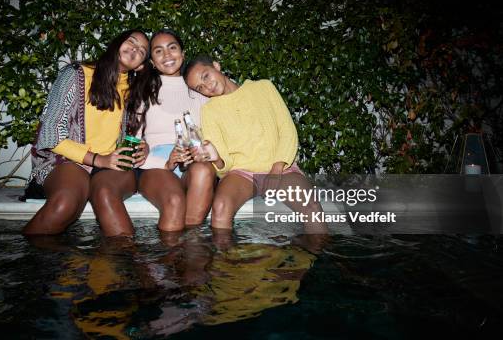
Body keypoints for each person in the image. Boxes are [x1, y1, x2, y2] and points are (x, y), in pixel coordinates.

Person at [22, 29, 150, 237]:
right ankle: (26, 264)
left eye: (142, 50)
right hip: (67, 160)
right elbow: (50, 134)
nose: (135, 49)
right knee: (66, 202)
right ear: (117, 43)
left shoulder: (134, 91)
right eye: (132, 42)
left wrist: (143, 146)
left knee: (106, 194)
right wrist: (98, 160)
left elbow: (133, 134)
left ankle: (124, 263)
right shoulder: (76, 74)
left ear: (141, 64)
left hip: (112, 165)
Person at [183, 55, 327, 235]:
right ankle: (223, 261)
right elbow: (223, 166)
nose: (207, 87)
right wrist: (217, 158)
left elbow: (287, 130)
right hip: (241, 173)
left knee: (312, 206)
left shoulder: (263, 87)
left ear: (216, 66)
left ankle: (318, 257)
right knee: (220, 207)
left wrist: (277, 168)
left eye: (206, 76)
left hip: (282, 168)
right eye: (200, 88)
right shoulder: (209, 110)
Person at [127, 29, 215, 231]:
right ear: (152, 62)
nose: (167, 55)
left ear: (183, 54)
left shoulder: (200, 89)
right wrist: (167, 162)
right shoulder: (143, 90)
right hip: (155, 166)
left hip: (192, 166)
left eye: (172, 48)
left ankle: (189, 250)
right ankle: (168, 261)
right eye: (158, 51)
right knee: (174, 200)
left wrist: (199, 152)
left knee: (204, 170)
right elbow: (133, 142)